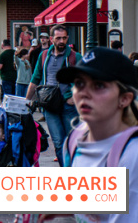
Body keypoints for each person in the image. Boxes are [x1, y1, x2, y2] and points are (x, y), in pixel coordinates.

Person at [51, 47, 138, 223]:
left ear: (125, 99)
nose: (84, 93)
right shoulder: (74, 140)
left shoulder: (132, 154)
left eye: (98, 85)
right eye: (79, 84)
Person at [25, 24, 78, 166]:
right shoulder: (43, 56)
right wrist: (26, 101)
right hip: (49, 105)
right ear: (51, 39)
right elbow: (35, 78)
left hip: (68, 106)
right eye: (58, 38)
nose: (62, 41)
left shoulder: (74, 56)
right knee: (59, 143)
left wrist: (73, 97)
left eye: (64, 38)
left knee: (72, 141)